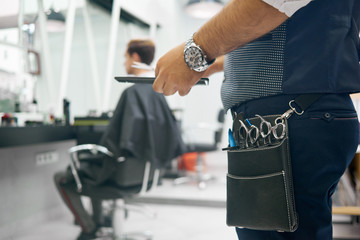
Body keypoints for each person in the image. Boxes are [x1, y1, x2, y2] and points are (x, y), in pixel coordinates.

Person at [153, 0, 360, 239]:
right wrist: (212, 64)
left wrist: (193, 53)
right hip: (294, 112)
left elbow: (270, 4)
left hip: (289, 114)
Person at [54, 39, 174, 240]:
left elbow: (111, 145)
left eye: (125, 57)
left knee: (66, 176)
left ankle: (89, 227)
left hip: (122, 176)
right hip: (145, 173)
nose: (124, 63)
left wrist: (93, 153)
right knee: (94, 166)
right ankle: (99, 221)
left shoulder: (131, 93)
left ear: (135, 58)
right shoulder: (157, 93)